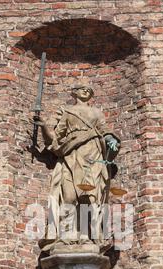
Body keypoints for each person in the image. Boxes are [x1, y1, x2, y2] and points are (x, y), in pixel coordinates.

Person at [35, 85, 121, 253]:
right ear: (74, 92)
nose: (86, 91)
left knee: (89, 196)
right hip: (71, 154)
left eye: (89, 89)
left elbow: (105, 131)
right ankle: (68, 236)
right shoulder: (66, 111)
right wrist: (44, 126)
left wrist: (111, 140)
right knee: (69, 196)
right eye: (82, 88)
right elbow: (55, 139)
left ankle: (90, 236)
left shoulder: (96, 112)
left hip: (92, 153)